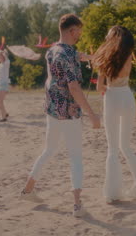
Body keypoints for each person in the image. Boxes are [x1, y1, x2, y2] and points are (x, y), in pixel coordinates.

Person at [20, 14, 100, 218]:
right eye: (79, 32)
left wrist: (89, 57)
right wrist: (92, 114)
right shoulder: (68, 54)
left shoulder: (53, 50)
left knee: (49, 150)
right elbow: (73, 86)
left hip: (52, 108)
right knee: (75, 157)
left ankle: (28, 190)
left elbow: (74, 56)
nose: (79, 35)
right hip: (69, 111)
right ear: (72, 31)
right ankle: (77, 205)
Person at [93, 25, 136, 204]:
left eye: (108, 34)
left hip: (112, 97)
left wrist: (105, 87)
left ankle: (114, 193)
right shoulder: (128, 54)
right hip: (127, 97)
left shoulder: (104, 57)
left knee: (113, 149)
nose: (106, 37)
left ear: (113, 36)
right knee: (126, 147)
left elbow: (99, 87)